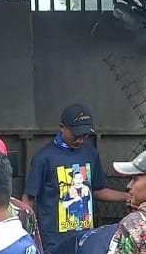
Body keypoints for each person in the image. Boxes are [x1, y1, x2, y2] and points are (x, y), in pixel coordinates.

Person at [23, 102, 128, 244]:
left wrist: (129, 197)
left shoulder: (90, 153)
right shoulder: (43, 158)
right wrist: (27, 232)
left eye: (84, 135)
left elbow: (97, 190)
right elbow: (29, 197)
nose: (79, 140)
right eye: (75, 135)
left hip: (85, 237)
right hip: (53, 240)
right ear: (62, 127)